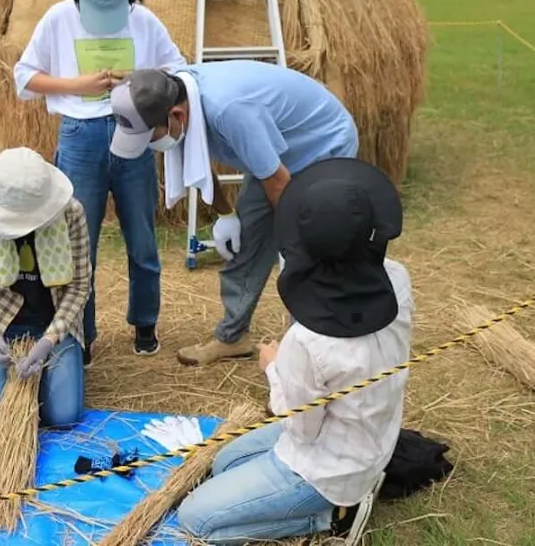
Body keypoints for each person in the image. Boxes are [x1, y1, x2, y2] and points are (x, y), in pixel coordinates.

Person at [176, 157, 414, 545]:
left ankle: (330, 517)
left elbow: (301, 428)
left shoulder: (309, 341)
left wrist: (273, 369)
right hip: (372, 437)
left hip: (327, 470)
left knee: (197, 520)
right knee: (224, 463)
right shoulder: (398, 278)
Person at [108, 60, 359, 366]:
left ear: (176, 115)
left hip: (320, 146)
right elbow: (196, 158)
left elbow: (279, 183)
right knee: (247, 239)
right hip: (275, 155)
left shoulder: (230, 110)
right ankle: (233, 337)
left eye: (150, 136)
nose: (150, 144)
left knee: (307, 258)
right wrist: (226, 215)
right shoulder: (177, 97)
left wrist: (295, 242)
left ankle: (306, 358)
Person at [13, 0, 187, 361]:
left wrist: (140, 78)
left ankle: (145, 323)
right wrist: (78, 85)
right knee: (79, 243)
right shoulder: (58, 18)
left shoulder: (143, 20)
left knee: (142, 238)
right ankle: (82, 333)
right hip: (80, 137)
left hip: (134, 133)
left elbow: (180, 70)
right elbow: (24, 77)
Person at [0, 147, 91, 429]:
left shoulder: (71, 214)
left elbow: (78, 287)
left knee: (63, 418)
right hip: (0, 325)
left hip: (52, 324)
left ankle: (54, 368)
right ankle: (4, 370)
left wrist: (48, 342)